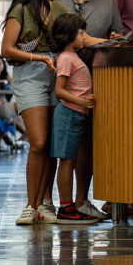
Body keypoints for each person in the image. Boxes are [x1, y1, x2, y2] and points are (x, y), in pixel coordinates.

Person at [0, 0, 108, 226]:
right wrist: (39, 59)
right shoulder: (21, 10)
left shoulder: (57, 8)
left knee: (50, 143)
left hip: (57, 73)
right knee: (37, 142)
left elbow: (79, 36)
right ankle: (30, 205)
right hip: (32, 75)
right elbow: (7, 49)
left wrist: (118, 41)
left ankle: (44, 204)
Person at [52, 0, 121, 221]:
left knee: (86, 149)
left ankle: (80, 202)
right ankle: (60, 205)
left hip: (90, 91)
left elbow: (114, 35)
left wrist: (116, 38)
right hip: (69, 98)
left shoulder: (108, 1)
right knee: (62, 155)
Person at [50, 13, 100, 224]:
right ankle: (66, 207)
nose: (84, 37)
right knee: (67, 161)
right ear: (69, 35)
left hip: (76, 115)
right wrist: (81, 102)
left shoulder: (72, 57)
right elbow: (59, 91)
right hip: (69, 114)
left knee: (71, 160)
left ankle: (68, 205)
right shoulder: (66, 59)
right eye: (81, 33)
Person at [0, 54, 26, 140]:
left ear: (3, 65)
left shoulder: (6, 76)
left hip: (4, 104)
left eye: (0, 64)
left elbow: (14, 88)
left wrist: (10, 82)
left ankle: (10, 136)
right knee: (10, 115)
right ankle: (25, 135)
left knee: (12, 114)